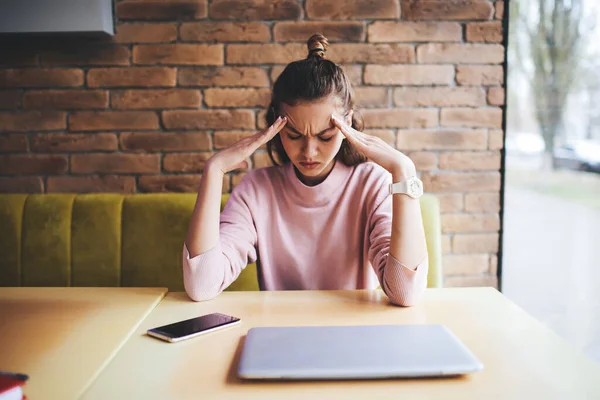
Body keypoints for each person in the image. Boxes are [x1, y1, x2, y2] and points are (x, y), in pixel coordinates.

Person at [183, 34, 428, 306]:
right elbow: (201, 286)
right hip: (280, 334)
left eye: (325, 137)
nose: (309, 153)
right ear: (276, 127)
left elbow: (406, 293)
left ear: (347, 125)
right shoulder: (256, 191)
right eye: (294, 135)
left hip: (354, 333)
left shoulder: (373, 184)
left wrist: (404, 172)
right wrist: (214, 170)